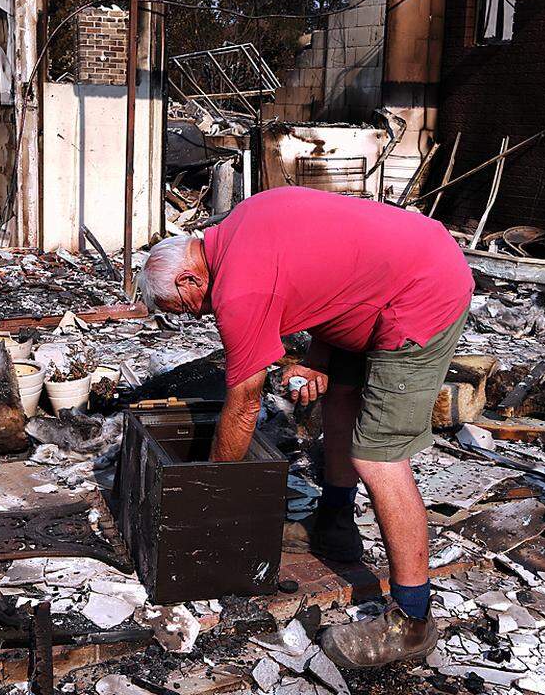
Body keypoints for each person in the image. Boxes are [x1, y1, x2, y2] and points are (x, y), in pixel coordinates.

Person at [136, 186, 474, 668]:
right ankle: (336, 525)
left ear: (191, 279)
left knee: (378, 454)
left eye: (184, 310)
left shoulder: (237, 289)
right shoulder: (239, 223)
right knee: (340, 401)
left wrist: (211, 499)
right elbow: (328, 264)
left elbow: (244, 404)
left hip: (422, 294)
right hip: (390, 280)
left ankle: (412, 621)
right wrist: (318, 356)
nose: (196, 318)